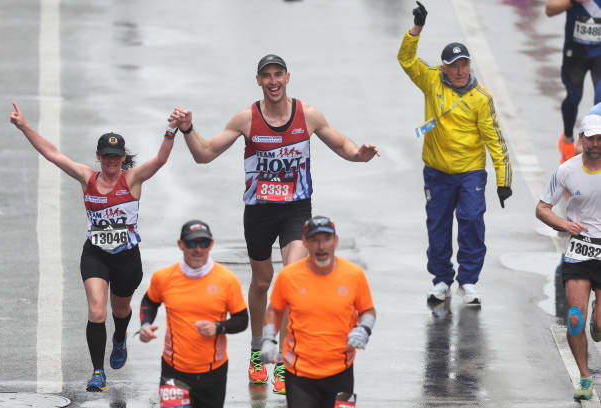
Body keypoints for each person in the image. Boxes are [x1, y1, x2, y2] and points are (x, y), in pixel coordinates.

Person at [168, 54, 379, 393]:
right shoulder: (246, 119)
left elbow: (342, 145)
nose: (273, 81)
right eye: (266, 75)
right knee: (262, 282)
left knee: (291, 276)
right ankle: (256, 351)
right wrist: (188, 129)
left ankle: (282, 359)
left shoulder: (308, 115)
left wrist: (359, 154)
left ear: (287, 77)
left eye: (278, 74)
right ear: (258, 81)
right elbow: (204, 154)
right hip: (259, 211)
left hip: (296, 209)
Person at [9, 102, 176, 391]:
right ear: (98, 157)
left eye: (116, 156)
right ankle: (98, 372)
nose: (111, 161)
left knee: (119, 310)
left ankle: (120, 337)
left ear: (123, 157)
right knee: (97, 312)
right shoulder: (87, 177)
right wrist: (24, 126)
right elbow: (53, 154)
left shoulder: (132, 179)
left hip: (126, 257)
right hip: (95, 255)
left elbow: (160, 160)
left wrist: (172, 129)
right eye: (106, 156)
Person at [397, 2, 513, 305]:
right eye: (454, 65)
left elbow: (496, 141)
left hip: (470, 172)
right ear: (444, 67)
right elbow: (406, 60)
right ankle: (441, 280)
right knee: (437, 226)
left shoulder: (481, 98)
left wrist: (504, 180)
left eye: (464, 64)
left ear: (469, 65)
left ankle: (469, 281)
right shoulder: (431, 79)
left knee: (472, 221)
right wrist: (416, 29)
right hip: (436, 172)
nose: (460, 71)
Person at [258, 215, 376, 408]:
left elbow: (368, 310)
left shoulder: (353, 275)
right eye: (314, 240)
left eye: (326, 240)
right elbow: (274, 310)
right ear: (305, 243)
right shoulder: (289, 276)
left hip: (342, 370)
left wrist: (364, 329)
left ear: (335, 241)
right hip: (299, 374)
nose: (321, 246)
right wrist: (268, 339)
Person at [138, 219, 248, 408]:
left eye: (203, 243)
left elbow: (242, 320)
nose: (197, 249)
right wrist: (145, 325)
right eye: (191, 243)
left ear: (211, 245)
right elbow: (149, 301)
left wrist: (218, 327)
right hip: (174, 371)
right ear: (181, 245)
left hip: (214, 372)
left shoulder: (226, 280)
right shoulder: (164, 277)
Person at [536, 107, 601, 401]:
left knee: (599, 325)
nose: (595, 144)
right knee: (574, 318)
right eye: (591, 138)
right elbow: (542, 208)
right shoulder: (566, 171)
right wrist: (564, 224)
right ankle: (585, 377)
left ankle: (597, 325)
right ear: (581, 139)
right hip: (578, 251)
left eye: (600, 139)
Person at [546, 0, 601, 163]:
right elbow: (549, 9)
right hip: (575, 52)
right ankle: (567, 142)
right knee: (574, 97)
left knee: (600, 100)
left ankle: (595, 150)